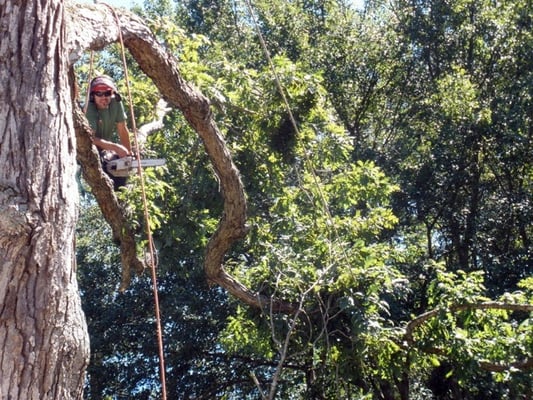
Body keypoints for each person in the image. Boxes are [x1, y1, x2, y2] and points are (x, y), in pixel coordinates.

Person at [85, 75, 132, 190]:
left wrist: (128, 155)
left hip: (105, 147)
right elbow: (90, 138)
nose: (104, 97)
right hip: (88, 148)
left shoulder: (115, 102)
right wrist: (115, 147)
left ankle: (121, 196)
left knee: (118, 165)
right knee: (106, 162)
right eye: (99, 94)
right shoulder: (89, 108)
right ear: (92, 95)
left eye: (107, 93)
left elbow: (122, 129)